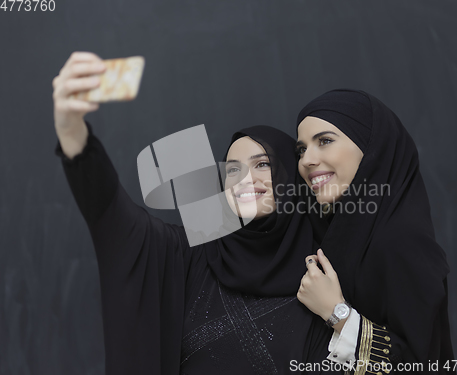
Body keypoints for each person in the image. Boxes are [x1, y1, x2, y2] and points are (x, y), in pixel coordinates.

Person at [52, 52, 347, 375]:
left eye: (263, 164)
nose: (245, 179)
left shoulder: (329, 266)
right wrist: (72, 134)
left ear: (292, 176)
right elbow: (113, 215)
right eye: (232, 170)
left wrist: (338, 313)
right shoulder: (193, 252)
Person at [295, 89, 455, 374]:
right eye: (302, 149)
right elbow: (223, 222)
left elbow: (425, 365)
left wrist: (337, 313)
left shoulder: (402, 242)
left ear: (371, 148)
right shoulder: (327, 230)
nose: (307, 159)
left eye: (325, 141)